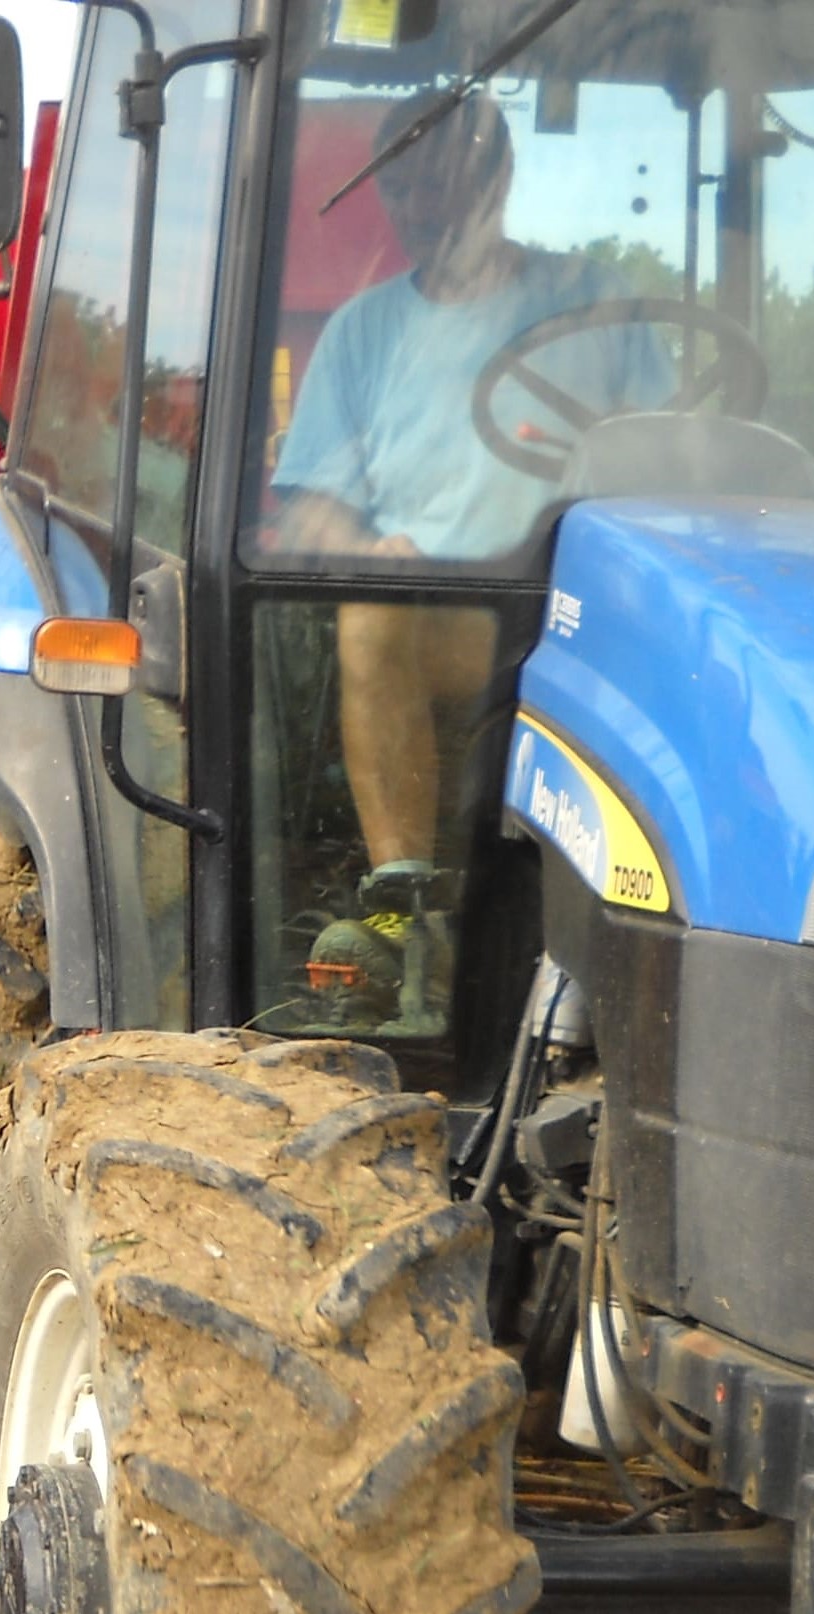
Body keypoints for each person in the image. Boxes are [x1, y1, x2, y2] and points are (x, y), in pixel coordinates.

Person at [273, 86, 671, 1014]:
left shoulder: (595, 303)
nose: (421, 209)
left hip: (596, 623)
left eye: (441, 182)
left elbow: (670, 453)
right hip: (457, 632)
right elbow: (309, 514)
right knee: (371, 614)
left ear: (497, 177)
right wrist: (377, 546)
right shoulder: (364, 333)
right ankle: (406, 920)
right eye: (404, 190)